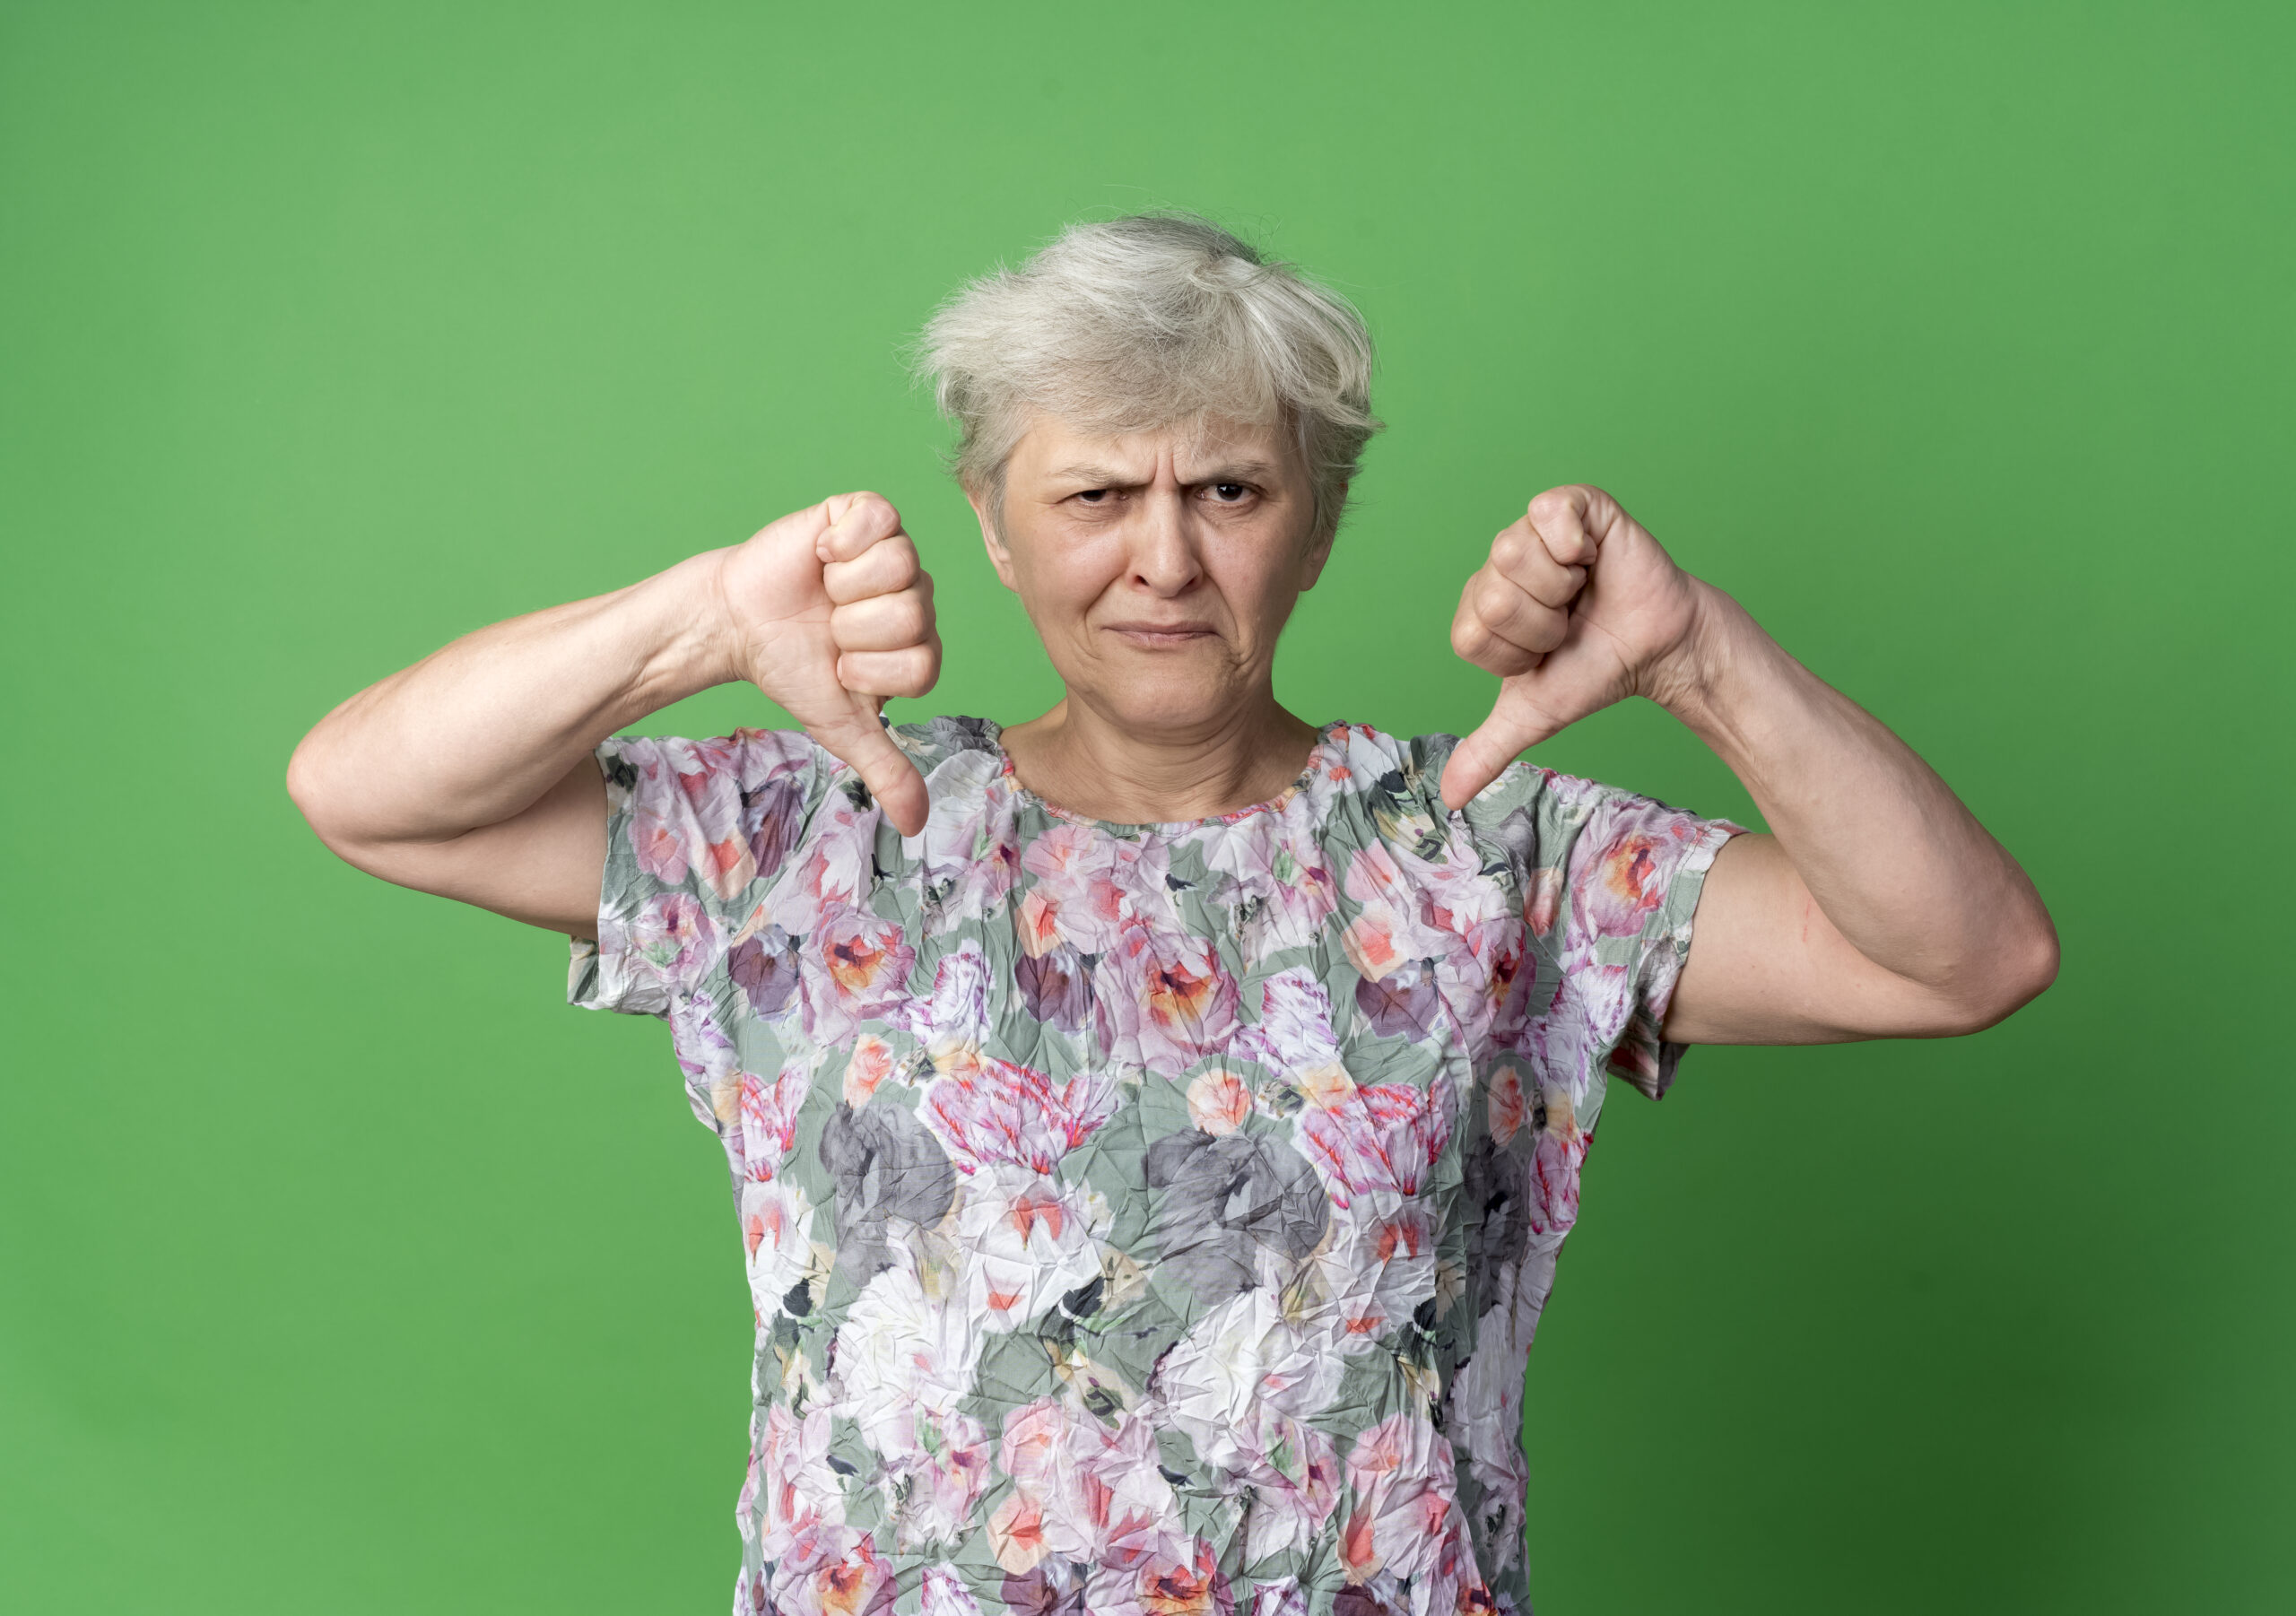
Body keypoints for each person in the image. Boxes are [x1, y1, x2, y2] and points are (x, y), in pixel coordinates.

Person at [288, 214, 2057, 1616]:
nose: (1160, 557)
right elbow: (365, 788)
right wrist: (696, 625)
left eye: (1226, 489)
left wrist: (1697, 656)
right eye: (1093, 494)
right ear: (993, 524)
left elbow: (1967, 953)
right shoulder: (821, 833)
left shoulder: (1482, 852)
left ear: (1314, 524)